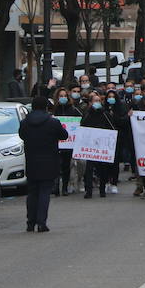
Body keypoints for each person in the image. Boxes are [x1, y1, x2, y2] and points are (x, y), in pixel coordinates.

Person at [18, 96, 69, 232]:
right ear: (46, 107)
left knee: (32, 192)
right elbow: (64, 135)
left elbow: (22, 136)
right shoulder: (53, 123)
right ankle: (41, 222)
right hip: (49, 161)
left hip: (31, 161)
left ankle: (30, 222)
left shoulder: (24, 123)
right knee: (45, 192)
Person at [79, 91, 116, 198]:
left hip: (102, 145)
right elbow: (82, 126)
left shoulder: (105, 114)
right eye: (95, 101)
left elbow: (111, 127)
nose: (97, 103)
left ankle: (102, 189)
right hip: (90, 146)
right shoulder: (87, 113)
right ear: (90, 103)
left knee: (102, 169)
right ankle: (88, 190)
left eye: (99, 101)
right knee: (89, 169)